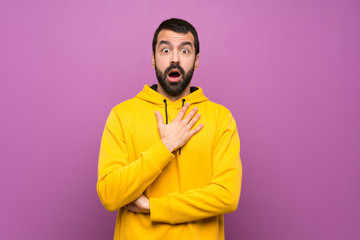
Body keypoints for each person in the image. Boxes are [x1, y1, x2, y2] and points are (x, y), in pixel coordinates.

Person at [97, 18, 242, 240]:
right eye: (165, 50)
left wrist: (154, 207)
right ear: (153, 59)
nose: (175, 58)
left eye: (185, 51)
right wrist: (166, 146)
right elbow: (109, 194)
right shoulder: (122, 115)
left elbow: (227, 196)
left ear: (196, 61)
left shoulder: (221, 118)